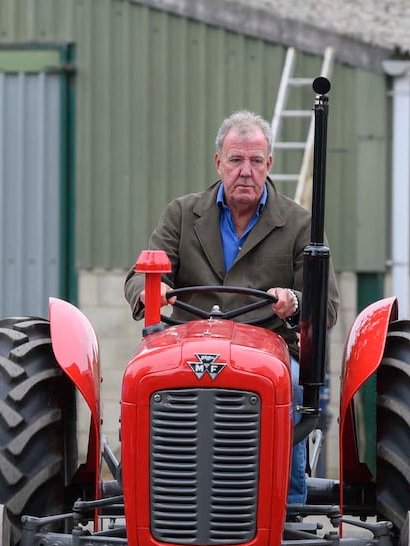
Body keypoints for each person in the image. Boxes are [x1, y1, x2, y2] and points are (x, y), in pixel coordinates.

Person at [124, 110, 340, 506]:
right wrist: (152, 291)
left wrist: (293, 304)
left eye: (256, 161)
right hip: (186, 344)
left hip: (268, 349)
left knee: (289, 383)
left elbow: (324, 307)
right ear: (218, 162)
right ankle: (154, 499)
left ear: (269, 164)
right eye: (236, 159)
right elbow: (139, 275)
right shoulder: (182, 214)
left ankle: (286, 504)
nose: (246, 171)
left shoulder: (299, 224)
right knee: (143, 380)